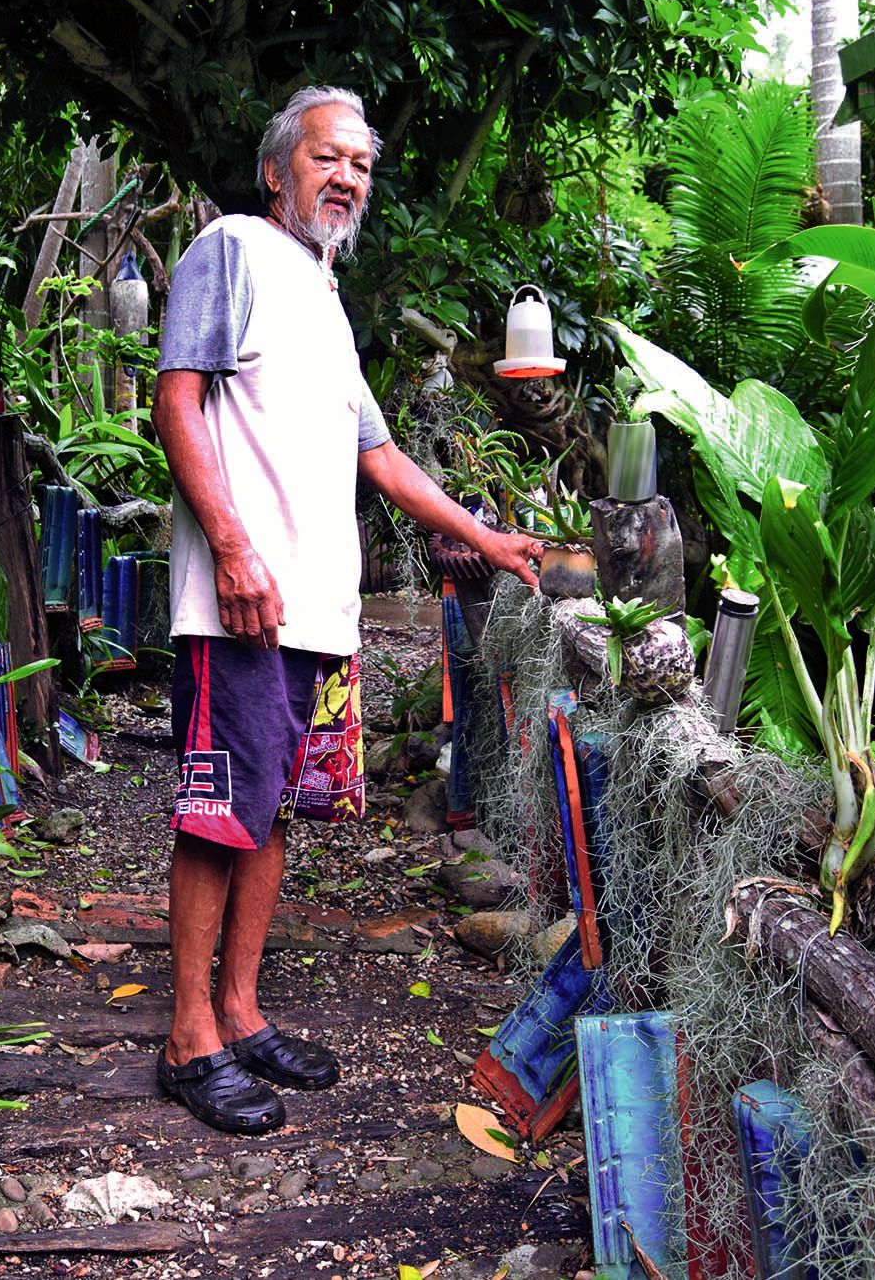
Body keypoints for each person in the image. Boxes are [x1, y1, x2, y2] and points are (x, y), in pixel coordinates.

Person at [151, 85, 545, 1134]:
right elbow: (175, 398)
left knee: (270, 808)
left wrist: (484, 533)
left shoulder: (324, 295)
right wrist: (230, 548)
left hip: (315, 611)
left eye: (362, 165)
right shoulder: (229, 248)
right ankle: (189, 1034)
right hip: (244, 601)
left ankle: (238, 1009)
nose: (348, 179)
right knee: (217, 808)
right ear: (277, 167)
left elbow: (375, 452)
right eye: (329, 158)